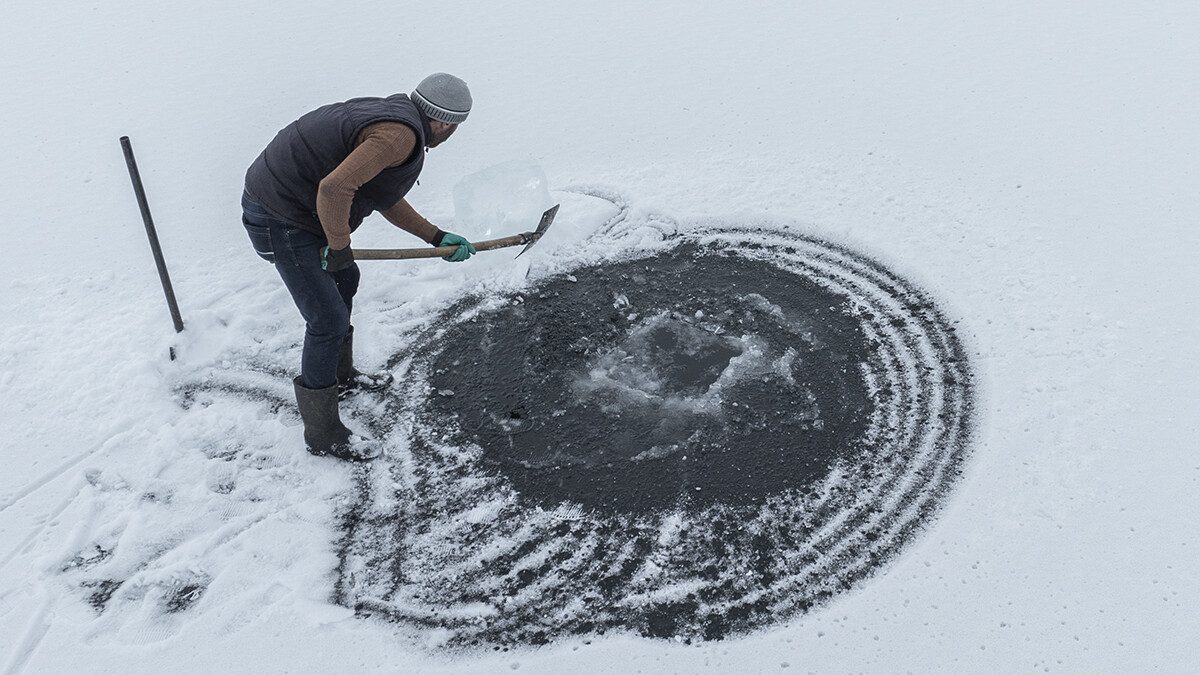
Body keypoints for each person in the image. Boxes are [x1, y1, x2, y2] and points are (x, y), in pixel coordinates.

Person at [241, 73, 477, 462]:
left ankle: (341, 376)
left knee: (345, 277)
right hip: (278, 215)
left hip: (295, 204)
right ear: (445, 123)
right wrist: (338, 246)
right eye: (455, 127)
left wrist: (434, 236)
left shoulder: (398, 118)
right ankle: (323, 433)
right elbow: (334, 190)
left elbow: (379, 192)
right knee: (327, 318)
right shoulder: (398, 136)